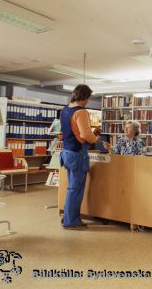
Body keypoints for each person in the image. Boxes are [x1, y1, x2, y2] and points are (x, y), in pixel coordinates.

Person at [60, 84, 99, 230]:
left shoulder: (65, 110)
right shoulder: (81, 112)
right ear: (85, 97)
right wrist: (95, 139)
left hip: (66, 153)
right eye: (88, 98)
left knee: (71, 187)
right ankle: (71, 221)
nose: (88, 102)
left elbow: (72, 131)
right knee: (76, 189)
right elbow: (85, 135)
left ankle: (67, 216)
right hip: (77, 154)